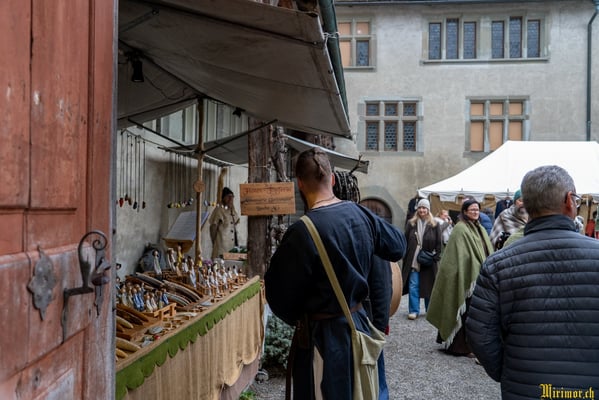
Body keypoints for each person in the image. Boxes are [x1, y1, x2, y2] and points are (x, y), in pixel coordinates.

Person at [264, 148, 407, 400]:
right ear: (331, 179)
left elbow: (278, 296)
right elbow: (397, 246)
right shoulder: (361, 214)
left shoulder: (301, 232)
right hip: (359, 325)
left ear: (300, 184)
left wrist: (303, 315)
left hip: (323, 338)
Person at [466, 165, 599, 399]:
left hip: (525, 388)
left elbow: (480, 335)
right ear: (569, 200)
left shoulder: (498, 264)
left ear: (526, 204)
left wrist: (510, 372)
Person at [331, 170, 392, 400]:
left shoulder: (364, 226)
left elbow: (381, 282)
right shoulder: (360, 225)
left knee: (372, 381)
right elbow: (383, 283)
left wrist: (379, 324)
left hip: (362, 319)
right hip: (351, 320)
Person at [426, 198, 493, 357]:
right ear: (464, 211)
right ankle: (459, 346)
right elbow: (457, 257)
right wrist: (472, 269)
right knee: (465, 312)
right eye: (472, 210)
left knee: (475, 315)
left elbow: (485, 250)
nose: (475, 212)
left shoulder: (480, 228)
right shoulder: (460, 229)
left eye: (477, 210)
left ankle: (471, 345)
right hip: (465, 278)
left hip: (478, 277)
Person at [402, 198, 442, 320]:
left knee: (428, 285)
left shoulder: (435, 224)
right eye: (420, 207)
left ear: (428, 209)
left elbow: (439, 243)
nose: (421, 210)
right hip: (413, 260)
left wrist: (436, 257)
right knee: (413, 285)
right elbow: (405, 240)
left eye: (424, 208)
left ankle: (429, 310)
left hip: (428, 260)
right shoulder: (411, 223)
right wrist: (405, 255)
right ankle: (414, 311)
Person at [208, 187, 240, 259]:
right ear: (223, 198)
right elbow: (213, 228)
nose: (230, 199)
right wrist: (215, 242)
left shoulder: (232, 210)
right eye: (228, 197)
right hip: (221, 246)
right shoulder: (219, 210)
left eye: (232, 197)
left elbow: (235, 226)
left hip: (232, 247)